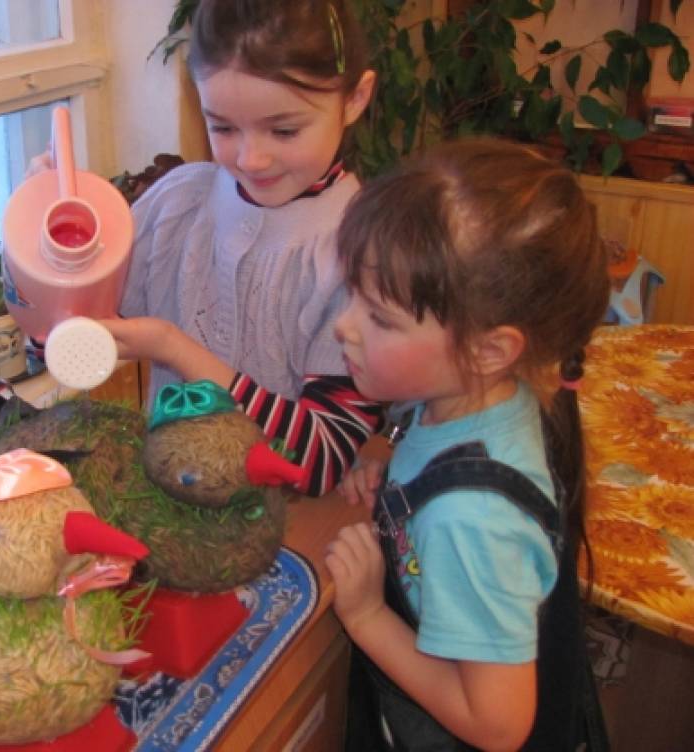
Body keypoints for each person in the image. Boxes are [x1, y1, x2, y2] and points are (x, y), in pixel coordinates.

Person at [326, 137, 610, 751]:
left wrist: (367, 616)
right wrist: (390, 466)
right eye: (351, 294)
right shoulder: (483, 395)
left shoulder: (470, 521)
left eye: (380, 317)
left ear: (489, 350)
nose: (343, 325)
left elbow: (498, 724)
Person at [87, 0, 388, 497]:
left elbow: (318, 461)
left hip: (286, 527)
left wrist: (174, 349)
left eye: (284, 130)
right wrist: (44, 248)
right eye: (223, 127)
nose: (251, 159)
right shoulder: (178, 202)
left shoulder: (364, 252)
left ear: (355, 98)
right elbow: (65, 337)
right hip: (166, 506)